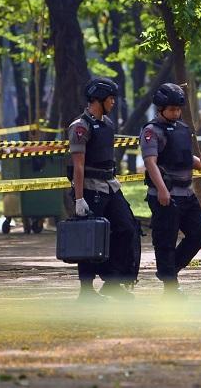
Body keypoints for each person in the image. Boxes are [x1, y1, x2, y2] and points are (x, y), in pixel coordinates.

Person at [68, 77, 141, 301]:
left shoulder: (108, 124)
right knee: (89, 237)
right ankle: (86, 291)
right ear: (98, 99)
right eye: (110, 98)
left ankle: (112, 282)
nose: (113, 102)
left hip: (110, 186)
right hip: (90, 189)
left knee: (127, 228)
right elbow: (78, 166)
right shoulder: (80, 127)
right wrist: (79, 199)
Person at [140, 83, 201, 298]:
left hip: (186, 194)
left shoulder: (182, 129)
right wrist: (162, 190)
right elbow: (150, 162)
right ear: (161, 108)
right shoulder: (151, 131)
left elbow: (186, 157)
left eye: (178, 109)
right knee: (166, 240)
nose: (176, 113)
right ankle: (170, 286)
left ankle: (168, 272)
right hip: (165, 195)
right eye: (172, 109)